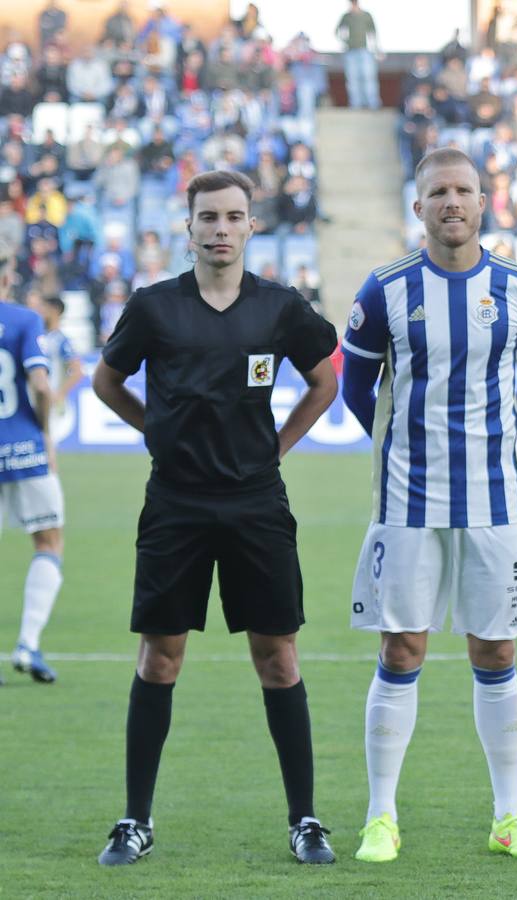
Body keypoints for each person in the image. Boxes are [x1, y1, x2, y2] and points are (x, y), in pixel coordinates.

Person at [90, 170, 340, 865]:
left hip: (257, 502)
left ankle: (305, 820)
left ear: (251, 226)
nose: (221, 228)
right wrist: (154, 432)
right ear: (190, 227)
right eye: (209, 217)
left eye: (234, 216)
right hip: (175, 502)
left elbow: (327, 376)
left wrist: (279, 444)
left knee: (278, 658)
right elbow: (106, 380)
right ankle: (135, 820)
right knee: (161, 658)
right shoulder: (154, 307)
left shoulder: (280, 308)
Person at [340, 147, 517, 864]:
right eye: (438, 192)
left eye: (463, 190)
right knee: (402, 648)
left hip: (495, 502)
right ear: (419, 206)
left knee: (495, 649)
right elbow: (356, 389)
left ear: (483, 202)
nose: (451, 203)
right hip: (406, 503)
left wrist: (489, 442)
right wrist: (408, 445)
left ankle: (509, 816)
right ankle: (380, 818)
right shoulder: (384, 290)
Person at [0, 250, 62, 686]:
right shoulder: (23, 320)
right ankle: (27, 643)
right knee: (48, 540)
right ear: (6, 278)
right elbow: (40, 383)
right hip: (23, 445)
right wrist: (44, 429)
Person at [337, 0, 381, 109]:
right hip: (351, 52)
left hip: (365, 51)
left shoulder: (366, 15)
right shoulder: (346, 16)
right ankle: (355, 104)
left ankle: (373, 103)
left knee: (368, 77)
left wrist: (376, 50)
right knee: (352, 79)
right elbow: (337, 31)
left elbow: (373, 33)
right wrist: (346, 42)